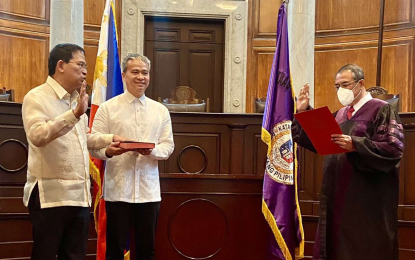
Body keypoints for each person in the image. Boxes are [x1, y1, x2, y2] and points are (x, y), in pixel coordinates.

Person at [292, 64, 404, 260]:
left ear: (360, 84)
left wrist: (357, 145)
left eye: (345, 84)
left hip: (365, 198)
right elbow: (318, 140)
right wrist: (303, 112)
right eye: (337, 86)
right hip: (335, 192)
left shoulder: (382, 110)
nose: (340, 90)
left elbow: (393, 148)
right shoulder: (341, 114)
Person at [22, 43, 121, 259]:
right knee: (45, 255)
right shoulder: (36, 97)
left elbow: (82, 139)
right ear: (61, 65)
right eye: (81, 65)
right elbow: (37, 136)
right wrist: (74, 115)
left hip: (79, 196)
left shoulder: (76, 100)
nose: (86, 71)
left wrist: (110, 142)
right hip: (51, 196)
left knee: (75, 256)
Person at [90, 53, 175, 260]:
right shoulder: (108, 108)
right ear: (124, 75)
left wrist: (151, 151)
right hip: (118, 191)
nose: (141, 77)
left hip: (149, 192)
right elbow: (92, 143)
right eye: (135, 72)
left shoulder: (160, 110)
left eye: (145, 73)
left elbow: (168, 146)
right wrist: (109, 151)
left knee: (147, 250)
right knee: (115, 250)